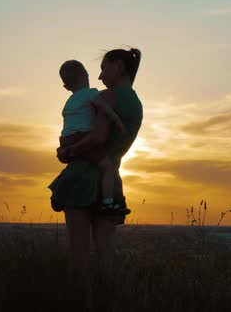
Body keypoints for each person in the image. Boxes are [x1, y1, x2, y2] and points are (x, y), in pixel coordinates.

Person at [53, 48, 143, 307]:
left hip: (82, 179)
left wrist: (68, 150)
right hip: (111, 181)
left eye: (104, 69)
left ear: (118, 66)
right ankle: (109, 302)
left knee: (78, 254)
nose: (101, 77)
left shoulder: (108, 97)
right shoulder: (135, 103)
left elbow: (97, 137)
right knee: (106, 253)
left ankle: (81, 304)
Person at [50, 59, 130, 215]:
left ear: (66, 87)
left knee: (74, 162)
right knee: (107, 167)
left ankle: (58, 192)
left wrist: (67, 146)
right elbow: (104, 108)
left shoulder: (69, 102)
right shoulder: (91, 93)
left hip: (65, 138)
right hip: (82, 136)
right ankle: (108, 203)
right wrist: (117, 121)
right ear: (87, 76)